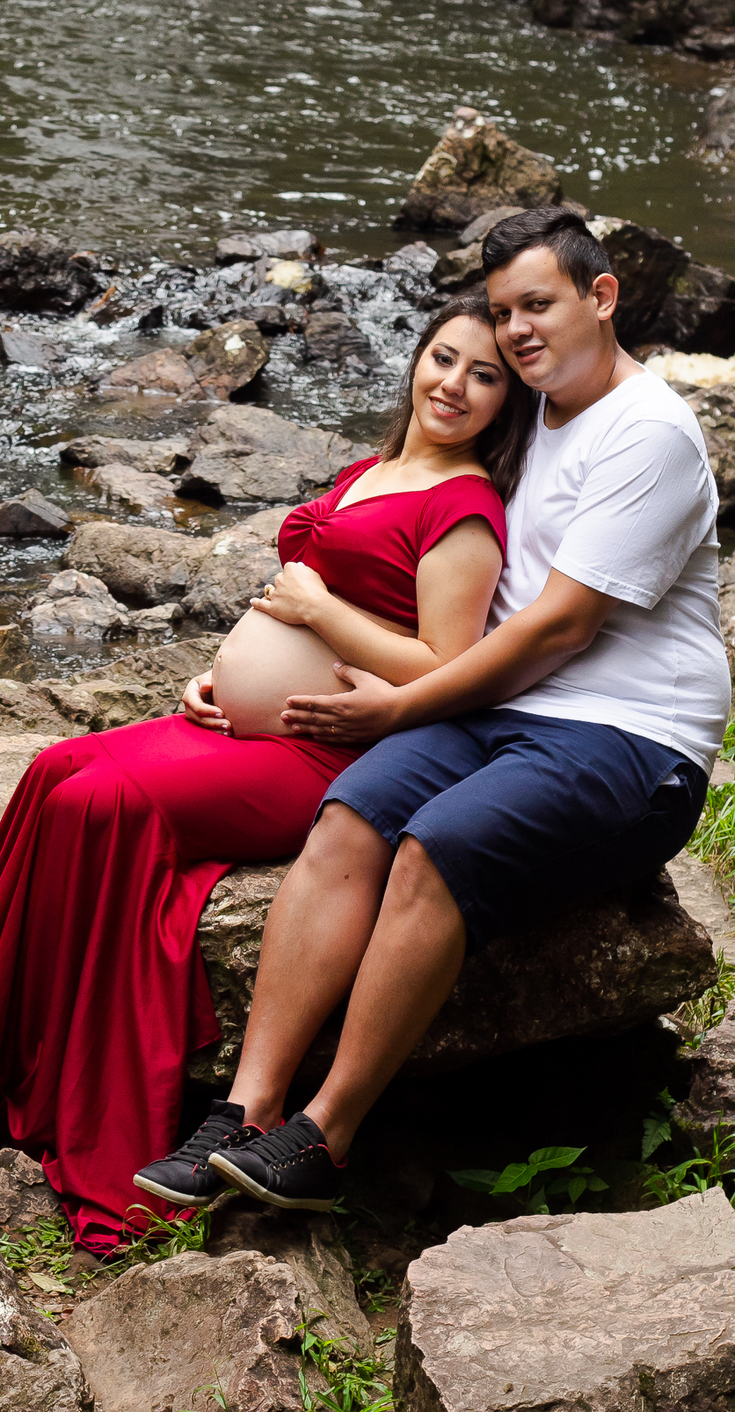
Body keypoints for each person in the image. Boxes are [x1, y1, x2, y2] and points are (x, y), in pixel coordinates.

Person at [0, 293, 536, 1251]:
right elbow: (301, 603)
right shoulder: (371, 471)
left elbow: (447, 667)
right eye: (444, 358)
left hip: (330, 752)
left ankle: (58, 1094)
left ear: (506, 402)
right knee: (54, 770)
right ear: (417, 359)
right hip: (248, 730)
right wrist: (222, 676)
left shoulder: (466, 509)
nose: (454, 385)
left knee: (99, 803)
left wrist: (317, 617)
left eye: (484, 375)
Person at [148, 206, 730, 1218]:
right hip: (505, 712)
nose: (516, 331)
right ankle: (244, 1110)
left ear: (603, 297)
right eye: (503, 312)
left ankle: (323, 1138)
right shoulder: (532, 413)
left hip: (631, 740)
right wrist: (245, 667)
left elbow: (560, 628)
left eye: (537, 304)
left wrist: (401, 707)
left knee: (434, 846)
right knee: (348, 819)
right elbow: (404, 536)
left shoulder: (650, 434)